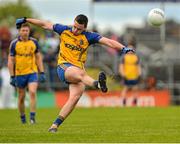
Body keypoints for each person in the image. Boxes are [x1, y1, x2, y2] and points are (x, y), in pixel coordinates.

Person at [16, 14, 133, 132]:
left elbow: (108, 42)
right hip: (64, 68)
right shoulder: (64, 30)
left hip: (78, 70)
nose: (75, 30)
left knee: (74, 98)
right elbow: (44, 24)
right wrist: (26, 20)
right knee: (81, 74)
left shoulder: (89, 36)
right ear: (73, 23)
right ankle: (97, 84)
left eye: (79, 29)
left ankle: (54, 126)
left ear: (85, 28)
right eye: (75, 26)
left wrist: (124, 48)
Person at [8, 23, 46, 124]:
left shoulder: (34, 42)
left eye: (26, 31)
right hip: (20, 74)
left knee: (33, 92)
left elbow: (38, 57)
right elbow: (11, 61)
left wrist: (41, 72)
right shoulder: (14, 43)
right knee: (21, 97)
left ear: (29, 31)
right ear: (19, 31)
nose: (25, 32)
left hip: (32, 72)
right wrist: (12, 76)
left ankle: (32, 118)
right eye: (23, 30)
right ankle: (23, 118)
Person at [119, 39, 141, 106]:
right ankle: (123, 102)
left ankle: (135, 102)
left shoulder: (136, 57)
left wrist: (139, 73)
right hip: (127, 76)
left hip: (134, 75)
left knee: (135, 89)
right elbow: (121, 66)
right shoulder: (124, 57)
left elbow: (138, 66)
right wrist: (122, 73)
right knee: (125, 89)